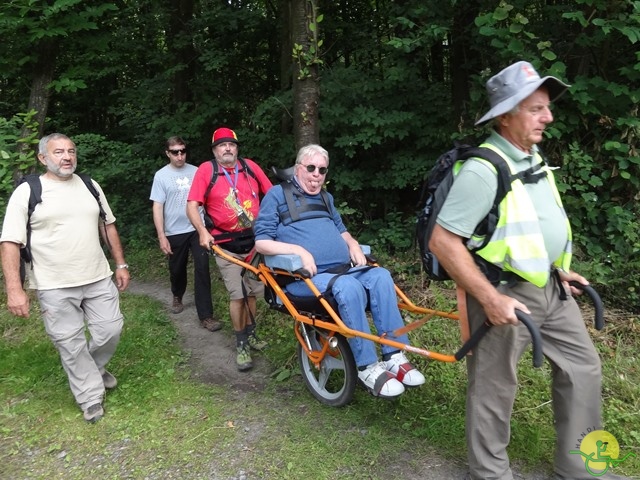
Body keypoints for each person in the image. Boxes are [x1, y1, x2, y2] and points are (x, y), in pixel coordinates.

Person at [429, 61, 628, 480]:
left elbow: (531, 225)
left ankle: (584, 469)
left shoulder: (532, 157)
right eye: (536, 109)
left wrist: (560, 268)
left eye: (546, 108)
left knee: (584, 368)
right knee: (494, 387)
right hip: (504, 295)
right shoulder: (484, 169)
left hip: (552, 290)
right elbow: (443, 242)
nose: (548, 117)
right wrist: (490, 298)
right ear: (505, 115)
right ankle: (489, 474)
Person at [254, 144, 425, 399]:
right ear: (298, 168)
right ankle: (367, 365)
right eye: (311, 168)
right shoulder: (277, 195)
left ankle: (395, 355)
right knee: (350, 287)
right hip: (303, 278)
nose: (316, 175)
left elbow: (341, 230)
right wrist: (299, 251)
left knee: (381, 276)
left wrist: (353, 244)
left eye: (322, 170)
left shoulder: (325, 197)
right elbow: (261, 242)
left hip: (342, 270)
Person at [0, 133, 129, 424]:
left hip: (97, 276)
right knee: (70, 343)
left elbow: (108, 225)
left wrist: (120, 263)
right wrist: (14, 290)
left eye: (71, 151)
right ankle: (90, 397)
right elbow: (9, 241)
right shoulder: (28, 191)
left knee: (111, 329)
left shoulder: (89, 185)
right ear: (43, 158)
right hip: (53, 283)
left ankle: (92, 368)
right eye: (58, 152)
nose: (67, 157)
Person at [186, 127, 272, 371]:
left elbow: (273, 194)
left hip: (255, 243)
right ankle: (241, 343)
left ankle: (252, 333)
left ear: (237, 148)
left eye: (231, 145)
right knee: (238, 294)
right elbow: (192, 206)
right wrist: (203, 232)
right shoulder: (207, 170)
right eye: (221, 145)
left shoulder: (250, 167)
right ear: (214, 151)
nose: (227, 148)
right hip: (226, 246)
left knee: (253, 293)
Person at [150, 136, 220, 332]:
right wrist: (161, 235)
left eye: (182, 151)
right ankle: (177, 294)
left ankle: (206, 316)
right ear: (167, 153)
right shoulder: (161, 176)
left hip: (197, 229)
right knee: (177, 268)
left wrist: (209, 226)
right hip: (174, 230)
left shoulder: (197, 171)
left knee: (202, 269)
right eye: (175, 152)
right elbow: (157, 206)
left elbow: (208, 198)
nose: (180, 156)